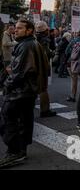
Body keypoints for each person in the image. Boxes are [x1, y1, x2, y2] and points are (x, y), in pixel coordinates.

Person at [0, 19, 49, 168]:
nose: (16, 30)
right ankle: (20, 150)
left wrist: (6, 86)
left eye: (20, 28)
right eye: (15, 28)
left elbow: (20, 73)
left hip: (20, 92)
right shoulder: (28, 44)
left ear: (29, 30)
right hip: (27, 91)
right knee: (23, 121)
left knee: (9, 120)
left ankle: (14, 152)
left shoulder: (27, 46)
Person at [65, 30, 80, 102]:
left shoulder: (73, 41)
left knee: (74, 80)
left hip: (72, 63)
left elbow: (66, 51)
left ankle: (73, 96)